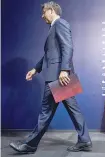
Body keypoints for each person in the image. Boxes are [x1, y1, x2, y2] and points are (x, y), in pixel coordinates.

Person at [9, 1, 92, 153]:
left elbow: (68, 46)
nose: (42, 16)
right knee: (73, 110)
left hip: (58, 77)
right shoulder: (53, 27)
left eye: (44, 12)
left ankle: (30, 144)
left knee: (46, 112)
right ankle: (85, 140)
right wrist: (35, 69)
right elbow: (49, 55)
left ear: (51, 10)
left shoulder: (60, 23)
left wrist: (64, 70)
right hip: (60, 76)